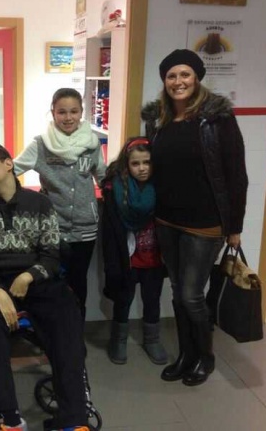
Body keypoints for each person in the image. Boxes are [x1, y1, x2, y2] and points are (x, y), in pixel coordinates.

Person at [0, 142, 89, 431]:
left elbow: (51, 255)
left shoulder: (40, 204)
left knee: (67, 326)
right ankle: (10, 419)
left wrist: (28, 276)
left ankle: (73, 420)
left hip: (36, 279)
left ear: (9, 163)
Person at [141, 49, 248, 386]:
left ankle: (205, 357)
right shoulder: (157, 119)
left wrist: (235, 226)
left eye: (185, 74)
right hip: (167, 220)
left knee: (191, 294)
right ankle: (186, 355)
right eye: (171, 76)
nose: (178, 81)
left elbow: (236, 174)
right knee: (177, 292)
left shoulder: (218, 119)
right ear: (164, 81)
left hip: (205, 223)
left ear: (197, 77)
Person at [13, 88, 106, 320]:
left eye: (74, 111)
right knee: (50, 281)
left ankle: (76, 329)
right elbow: (11, 170)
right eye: (62, 112)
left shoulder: (92, 144)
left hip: (85, 228)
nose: (68, 117)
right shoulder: (41, 144)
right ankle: (54, 330)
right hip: (52, 228)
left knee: (78, 281)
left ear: (81, 112)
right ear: (53, 113)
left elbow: (102, 177)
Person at [101, 137, 167, 366]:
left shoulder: (161, 187)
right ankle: (118, 340)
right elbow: (109, 232)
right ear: (126, 165)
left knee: (152, 300)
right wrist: (111, 263)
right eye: (135, 163)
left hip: (154, 257)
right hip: (127, 258)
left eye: (147, 162)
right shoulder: (115, 189)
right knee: (123, 300)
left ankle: (152, 340)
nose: (142, 168)